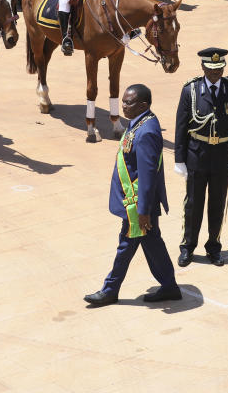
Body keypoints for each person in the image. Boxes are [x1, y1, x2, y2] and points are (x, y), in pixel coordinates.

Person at [83, 84, 182, 307]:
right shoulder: (140, 122)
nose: (124, 106)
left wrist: (143, 211)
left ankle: (110, 290)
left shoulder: (146, 131)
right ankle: (169, 286)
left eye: (129, 103)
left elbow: (147, 175)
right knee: (151, 242)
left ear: (143, 105)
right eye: (124, 101)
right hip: (137, 203)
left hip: (136, 205)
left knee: (126, 245)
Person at [174, 47, 228, 267]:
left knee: (217, 203)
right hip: (197, 154)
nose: (216, 73)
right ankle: (188, 246)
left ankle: (214, 246)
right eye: (211, 68)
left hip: (222, 155)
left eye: (219, 68)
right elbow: (181, 126)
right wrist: (179, 159)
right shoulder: (191, 90)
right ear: (203, 67)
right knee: (193, 204)